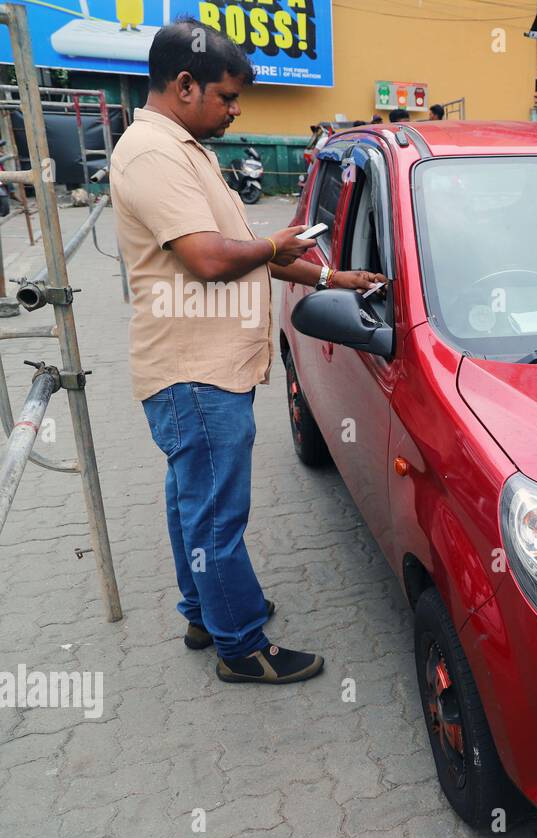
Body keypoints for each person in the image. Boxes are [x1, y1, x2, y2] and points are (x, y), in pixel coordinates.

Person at [110, 18, 386, 685]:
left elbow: (247, 254)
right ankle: (241, 644)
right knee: (214, 512)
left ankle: (206, 610)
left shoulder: (184, 148)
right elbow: (212, 259)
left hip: (202, 371)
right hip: (194, 373)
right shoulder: (153, 153)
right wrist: (272, 249)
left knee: (191, 502)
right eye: (228, 97)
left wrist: (333, 278)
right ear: (184, 84)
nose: (236, 111)